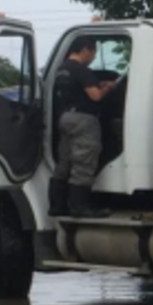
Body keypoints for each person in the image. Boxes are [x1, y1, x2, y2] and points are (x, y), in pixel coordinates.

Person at [48, 37, 117, 218]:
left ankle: (57, 206)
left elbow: (75, 90)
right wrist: (108, 87)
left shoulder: (61, 70)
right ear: (85, 49)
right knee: (84, 163)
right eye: (93, 53)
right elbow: (95, 97)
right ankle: (80, 208)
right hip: (84, 120)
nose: (93, 58)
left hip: (65, 117)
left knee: (64, 163)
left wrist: (97, 84)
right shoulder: (81, 70)